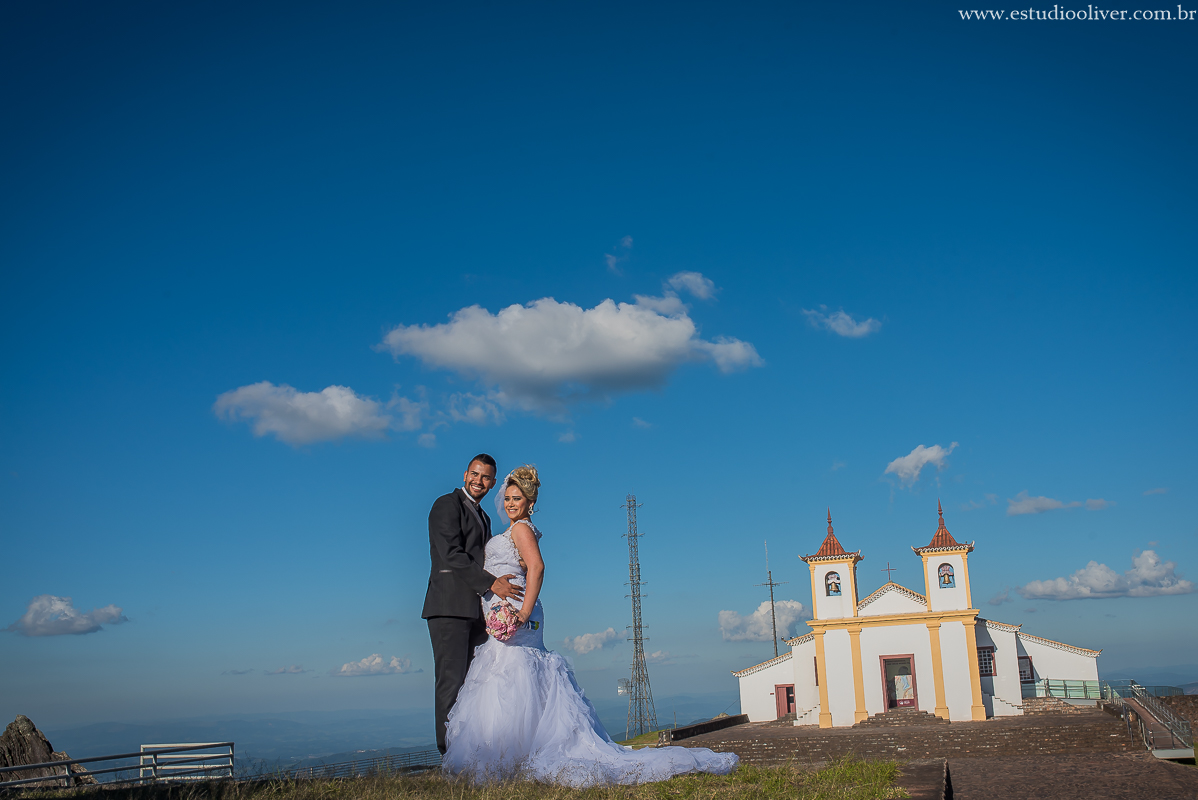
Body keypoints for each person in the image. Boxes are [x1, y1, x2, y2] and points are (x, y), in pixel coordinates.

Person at [443, 466, 738, 786]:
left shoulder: (521, 529)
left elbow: (537, 568)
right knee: (514, 673)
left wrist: (523, 612)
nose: (510, 503)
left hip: (519, 616)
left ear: (530, 503)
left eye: (518, 499)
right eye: (508, 498)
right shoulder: (520, 529)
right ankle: (516, 750)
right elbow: (523, 565)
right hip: (512, 611)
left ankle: (512, 752)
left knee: (511, 672)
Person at [423, 454, 525, 755]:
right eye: (475, 474)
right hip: (448, 608)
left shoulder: (484, 517)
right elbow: (451, 554)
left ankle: (471, 752)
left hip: (476, 610)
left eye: (485, 477)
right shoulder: (446, 505)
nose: (479, 481)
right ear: (465, 474)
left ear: (492, 483)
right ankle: (449, 754)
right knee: (451, 682)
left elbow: (485, 558)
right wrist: (492, 583)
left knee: (475, 681)